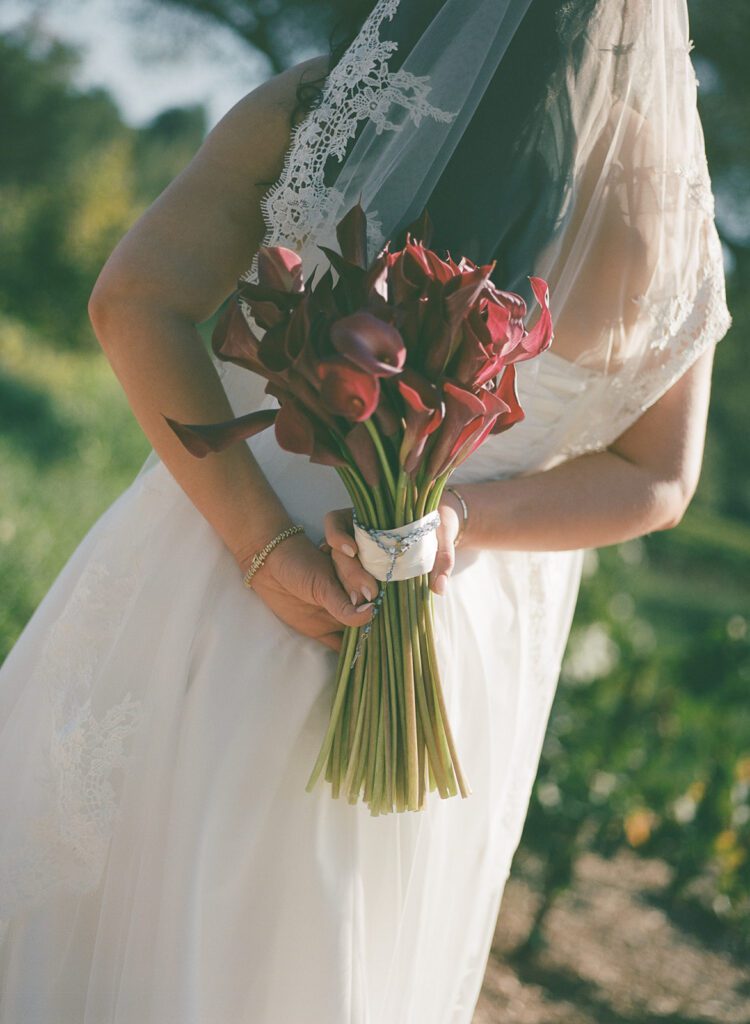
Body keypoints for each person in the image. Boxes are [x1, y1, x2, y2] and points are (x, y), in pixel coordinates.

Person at [0, 1, 732, 1021]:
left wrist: (263, 548)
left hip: (228, 567)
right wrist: (460, 526)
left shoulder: (320, 109)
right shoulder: (669, 226)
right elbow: (662, 478)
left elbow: (134, 299)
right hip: (442, 638)